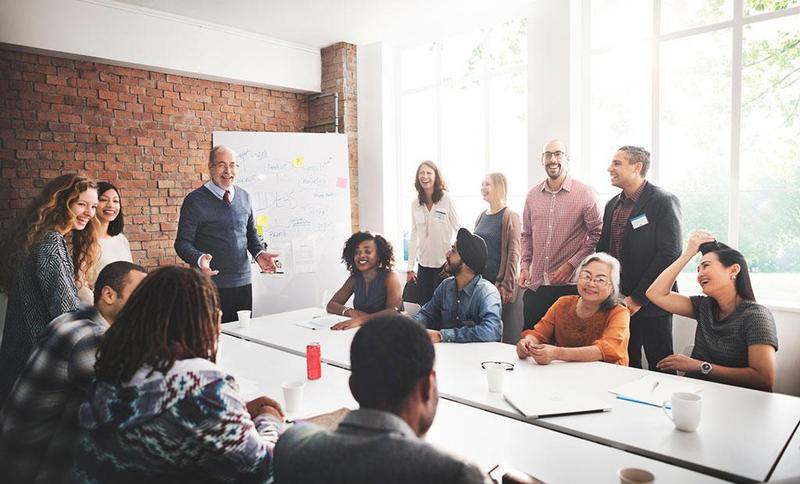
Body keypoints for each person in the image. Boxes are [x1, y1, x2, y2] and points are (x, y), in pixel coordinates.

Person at [71, 266, 285, 483]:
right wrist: (269, 418)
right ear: (199, 321)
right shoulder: (200, 388)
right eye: (214, 313)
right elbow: (263, 471)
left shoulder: (114, 369)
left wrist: (238, 411)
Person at [272, 315, 489, 484]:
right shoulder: (454, 475)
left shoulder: (291, 447)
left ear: (353, 388)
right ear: (428, 386)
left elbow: (297, 432)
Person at [0, 261, 147, 483]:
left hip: (14, 452)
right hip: (29, 467)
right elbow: (134, 402)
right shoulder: (91, 339)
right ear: (108, 295)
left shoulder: (75, 316)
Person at [0, 174, 99, 406]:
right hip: (37, 357)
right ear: (63, 202)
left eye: (93, 206)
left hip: (18, 352)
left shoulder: (34, 237)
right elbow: (65, 310)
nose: (89, 212)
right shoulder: (50, 242)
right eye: (81, 204)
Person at [646, 231, 778, 391]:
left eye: (706, 266)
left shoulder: (756, 317)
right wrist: (687, 254)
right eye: (697, 269)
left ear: (734, 270)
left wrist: (699, 366)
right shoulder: (704, 306)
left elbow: (763, 379)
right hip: (698, 393)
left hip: (736, 400)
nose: (700, 274)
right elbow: (655, 294)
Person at [596, 146, 682, 371]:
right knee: (624, 363)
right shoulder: (612, 205)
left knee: (661, 366)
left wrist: (637, 298)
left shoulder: (663, 201)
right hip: (618, 302)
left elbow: (669, 254)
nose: (609, 168)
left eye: (616, 163)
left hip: (653, 303)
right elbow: (604, 251)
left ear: (637, 167)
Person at [174, 145, 278, 323]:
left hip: (243, 283)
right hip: (210, 284)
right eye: (221, 165)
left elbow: (251, 236)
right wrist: (199, 259)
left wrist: (259, 254)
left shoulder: (244, 196)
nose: (228, 171)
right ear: (211, 167)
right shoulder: (195, 200)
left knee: (242, 335)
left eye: (232, 165)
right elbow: (182, 243)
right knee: (212, 339)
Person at [519, 140, 603, 330]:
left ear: (567, 159)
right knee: (530, 345)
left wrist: (572, 264)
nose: (552, 159)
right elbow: (526, 235)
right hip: (536, 287)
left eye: (558, 154)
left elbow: (597, 235)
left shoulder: (585, 194)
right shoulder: (532, 195)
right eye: (548, 155)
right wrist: (524, 266)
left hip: (570, 289)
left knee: (566, 351)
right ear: (542, 160)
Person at [516, 253, 630, 366]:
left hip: (608, 376)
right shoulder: (563, 303)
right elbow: (539, 333)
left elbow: (607, 349)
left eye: (600, 280)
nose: (591, 283)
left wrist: (557, 353)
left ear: (612, 288)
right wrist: (528, 342)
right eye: (586, 276)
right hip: (568, 374)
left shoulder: (619, 312)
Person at [413, 228, 502, 343]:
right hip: (447, 356)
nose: (447, 254)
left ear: (467, 261)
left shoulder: (487, 293)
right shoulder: (445, 286)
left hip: (476, 357)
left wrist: (443, 335)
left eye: (453, 251)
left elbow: (491, 332)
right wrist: (411, 327)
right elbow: (426, 314)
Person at [407, 160, 461, 307]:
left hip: (443, 266)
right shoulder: (415, 204)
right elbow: (413, 236)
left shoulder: (446, 199)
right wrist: (410, 267)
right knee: (425, 306)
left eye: (429, 173)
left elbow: (459, 230)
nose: (425, 176)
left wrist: (453, 259)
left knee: (443, 308)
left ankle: (440, 332)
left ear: (436, 176)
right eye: (421, 173)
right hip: (423, 265)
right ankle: (426, 331)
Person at [326, 231, 403, 330]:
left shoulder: (391, 277)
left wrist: (362, 319)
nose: (361, 255)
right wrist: (352, 312)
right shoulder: (355, 278)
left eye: (368, 251)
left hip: (390, 330)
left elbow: (393, 311)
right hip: (365, 330)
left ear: (379, 256)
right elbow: (331, 305)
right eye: (357, 252)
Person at [78, 181, 134, 304]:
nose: (111, 205)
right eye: (103, 200)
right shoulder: (84, 241)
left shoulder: (121, 239)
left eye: (116, 201)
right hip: (100, 311)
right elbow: (80, 286)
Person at [474, 173, 521, 306]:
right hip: (477, 285)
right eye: (482, 184)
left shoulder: (510, 216)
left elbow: (514, 253)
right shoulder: (481, 216)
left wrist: (507, 285)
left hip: (496, 286)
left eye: (487, 184)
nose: (483, 187)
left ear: (499, 187)